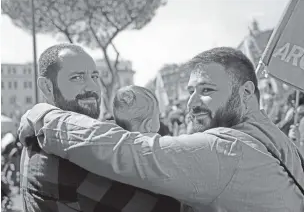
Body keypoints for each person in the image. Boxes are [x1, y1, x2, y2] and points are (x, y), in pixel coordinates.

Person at [19, 47, 304, 211]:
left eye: (206, 90)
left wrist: (44, 116)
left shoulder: (225, 149)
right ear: (46, 86)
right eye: (190, 90)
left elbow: (129, 152)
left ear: (245, 92)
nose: (191, 102)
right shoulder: (277, 141)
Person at [19, 43, 181, 212]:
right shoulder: (66, 156)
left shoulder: (38, 136)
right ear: (47, 86)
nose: (92, 87)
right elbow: (167, 206)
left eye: (95, 77)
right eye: (77, 77)